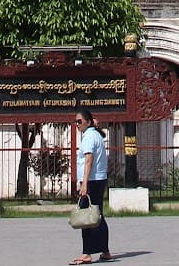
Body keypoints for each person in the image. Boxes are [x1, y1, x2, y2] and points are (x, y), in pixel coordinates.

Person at [71, 107, 112, 265]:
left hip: (92, 181)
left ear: (88, 122)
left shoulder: (88, 137)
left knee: (85, 216)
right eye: (75, 122)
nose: (77, 124)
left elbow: (89, 160)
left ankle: (87, 253)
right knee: (97, 215)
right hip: (99, 179)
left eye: (79, 121)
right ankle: (105, 250)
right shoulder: (96, 134)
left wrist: (84, 184)